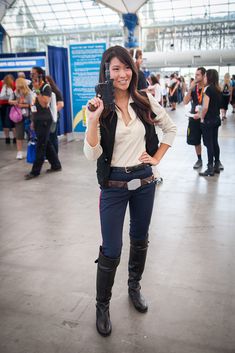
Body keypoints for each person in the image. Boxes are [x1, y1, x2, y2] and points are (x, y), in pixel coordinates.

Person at [83, 45, 176, 337]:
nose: (122, 74)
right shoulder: (98, 107)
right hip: (112, 187)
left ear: (132, 70)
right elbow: (91, 153)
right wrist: (95, 118)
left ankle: (134, 287)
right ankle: (102, 305)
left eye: (126, 68)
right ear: (106, 73)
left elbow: (171, 129)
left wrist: (157, 157)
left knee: (140, 239)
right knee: (111, 250)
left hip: (144, 183)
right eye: (115, 69)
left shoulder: (144, 100)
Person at [24, 66, 62, 180]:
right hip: (37, 118)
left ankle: (35, 171)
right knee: (47, 142)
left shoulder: (46, 87)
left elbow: (44, 103)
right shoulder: (31, 86)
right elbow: (32, 103)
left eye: (34, 74)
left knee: (41, 145)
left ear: (40, 75)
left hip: (45, 119)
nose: (32, 76)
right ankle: (56, 165)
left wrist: (37, 90)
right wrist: (32, 119)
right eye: (31, 74)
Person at [194, 69, 224, 176]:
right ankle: (216, 165)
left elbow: (205, 107)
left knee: (209, 144)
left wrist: (200, 116)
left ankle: (210, 167)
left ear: (209, 78)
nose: (204, 78)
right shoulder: (218, 89)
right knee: (215, 142)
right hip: (216, 119)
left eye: (206, 76)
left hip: (208, 121)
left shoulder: (208, 90)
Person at [184, 67, 206, 169]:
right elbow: (185, 102)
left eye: (198, 75)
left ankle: (214, 160)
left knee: (209, 141)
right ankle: (199, 159)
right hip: (194, 117)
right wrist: (190, 89)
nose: (195, 76)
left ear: (203, 76)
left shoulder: (207, 88)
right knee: (196, 140)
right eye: (195, 74)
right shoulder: (194, 88)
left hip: (205, 118)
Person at [9, 78, 33, 159]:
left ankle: (31, 152)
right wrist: (15, 102)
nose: (18, 88)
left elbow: (32, 105)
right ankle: (19, 152)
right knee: (19, 135)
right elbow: (9, 101)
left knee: (31, 135)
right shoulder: (15, 92)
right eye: (17, 86)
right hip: (18, 117)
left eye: (20, 86)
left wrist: (23, 105)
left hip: (28, 117)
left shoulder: (29, 93)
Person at [45, 75, 64, 154]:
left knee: (53, 137)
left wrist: (51, 111)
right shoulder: (43, 92)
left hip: (53, 117)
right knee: (46, 137)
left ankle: (54, 155)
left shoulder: (55, 92)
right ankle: (48, 155)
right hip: (44, 118)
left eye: (46, 81)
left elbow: (61, 104)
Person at [0, 74, 16, 144]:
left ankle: (7, 138)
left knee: (4, 122)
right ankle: (15, 138)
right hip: (12, 104)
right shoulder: (14, 84)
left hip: (3, 105)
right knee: (13, 122)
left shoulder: (1, 83)